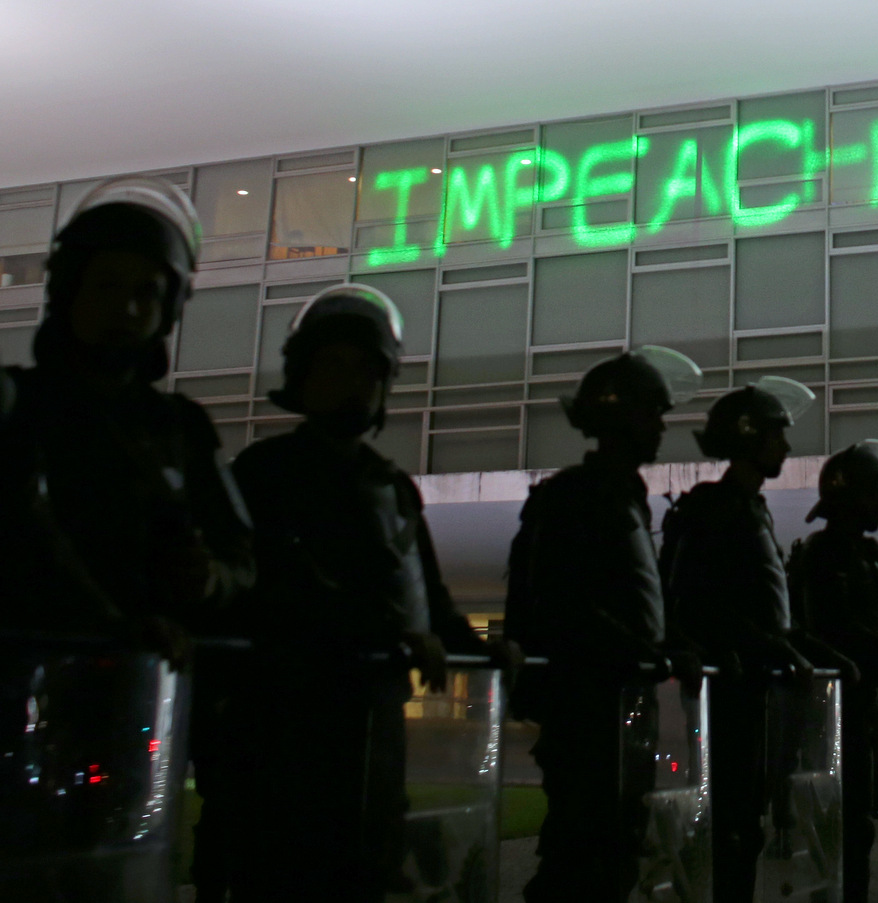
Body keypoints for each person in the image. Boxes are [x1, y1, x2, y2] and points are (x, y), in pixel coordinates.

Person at [0, 178, 254, 902]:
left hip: (141, 710)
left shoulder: (181, 429)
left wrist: (208, 581)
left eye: (148, 291)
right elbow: (21, 535)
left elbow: (243, 561)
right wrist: (115, 628)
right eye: (108, 285)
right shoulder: (18, 406)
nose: (129, 308)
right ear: (68, 288)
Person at [230, 284, 517, 902]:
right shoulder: (264, 475)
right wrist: (387, 634)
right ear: (302, 376)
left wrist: (486, 651)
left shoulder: (393, 488)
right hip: (282, 747)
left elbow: (432, 602)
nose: (354, 383)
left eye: (368, 369)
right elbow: (273, 590)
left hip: (374, 744)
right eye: (335, 365)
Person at [503, 346, 701, 903]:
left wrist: (672, 647)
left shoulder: (625, 498)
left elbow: (646, 605)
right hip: (584, 710)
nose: (661, 428)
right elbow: (561, 603)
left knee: (614, 852)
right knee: (580, 859)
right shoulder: (573, 496)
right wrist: (644, 651)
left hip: (619, 708)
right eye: (651, 414)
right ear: (621, 418)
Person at [659, 377, 816, 903]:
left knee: (749, 820)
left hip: (756, 685)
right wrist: (769, 647)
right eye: (777, 435)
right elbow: (696, 601)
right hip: (728, 685)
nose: (787, 447)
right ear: (750, 438)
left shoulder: (751, 507)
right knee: (730, 820)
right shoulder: (714, 505)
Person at [788, 440, 878, 902]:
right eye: (874, 496)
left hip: (874, 707)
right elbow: (835, 628)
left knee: (864, 823)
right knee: (838, 823)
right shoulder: (821, 553)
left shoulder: (874, 557)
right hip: (833, 711)